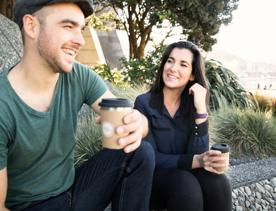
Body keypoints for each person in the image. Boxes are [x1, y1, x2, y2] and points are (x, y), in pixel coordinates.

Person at [0, 1, 155, 211]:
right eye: (68, 26)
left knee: (140, 152)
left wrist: (139, 123)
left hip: (73, 192)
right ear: (31, 26)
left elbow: (126, 116)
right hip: (30, 207)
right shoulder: (3, 104)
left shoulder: (78, 76)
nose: (80, 40)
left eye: (80, 29)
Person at [134, 41, 232, 211]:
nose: (173, 68)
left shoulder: (193, 105)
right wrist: (196, 161)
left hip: (184, 176)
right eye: (170, 61)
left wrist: (201, 109)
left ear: (192, 75)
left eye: (183, 64)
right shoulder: (143, 103)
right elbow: (150, 158)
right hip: (151, 181)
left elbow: (198, 154)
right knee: (185, 184)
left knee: (219, 182)